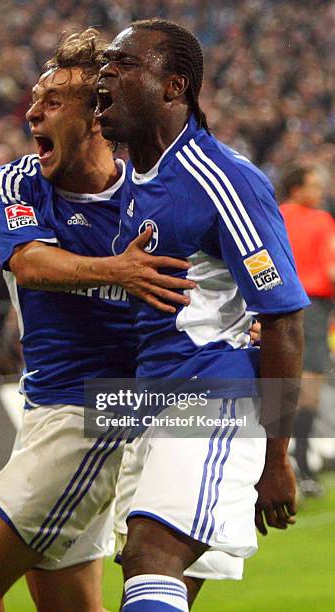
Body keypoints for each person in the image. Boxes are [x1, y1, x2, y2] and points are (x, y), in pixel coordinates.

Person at [0, 29, 228, 612]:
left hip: (94, 411)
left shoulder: (151, 198)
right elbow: (29, 262)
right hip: (44, 409)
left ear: (97, 115)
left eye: (51, 103)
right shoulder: (17, 182)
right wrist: (117, 270)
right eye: (33, 99)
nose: (31, 113)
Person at [96, 18, 309, 611]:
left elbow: (286, 319)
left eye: (124, 64)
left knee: (151, 555)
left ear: (174, 86)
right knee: (150, 582)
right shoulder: (137, 178)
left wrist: (277, 458)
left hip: (214, 396)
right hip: (150, 403)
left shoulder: (223, 180)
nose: (105, 75)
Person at [280, 165, 335, 496]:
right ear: (296, 188)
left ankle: (275, 464)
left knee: (279, 385)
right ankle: (301, 465)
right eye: (314, 184)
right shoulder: (321, 220)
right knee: (310, 389)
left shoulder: (276, 215)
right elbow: (331, 267)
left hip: (279, 306)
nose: (319, 190)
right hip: (312, 308)